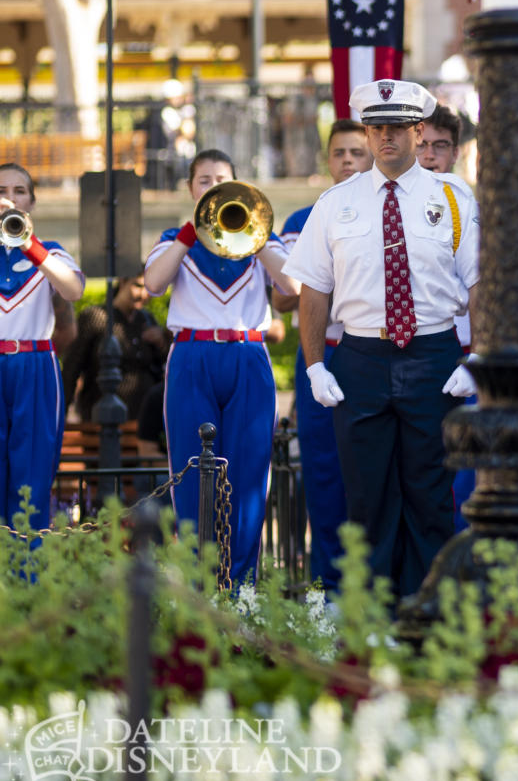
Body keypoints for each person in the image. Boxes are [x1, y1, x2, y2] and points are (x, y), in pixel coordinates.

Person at [283, 80, 480, 600]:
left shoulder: (452, 199)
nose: (385, 137)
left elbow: (482, 283)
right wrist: (314, 366)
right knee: (366, 494)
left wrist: (476, 355)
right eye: (376, 128)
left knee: (431, 492)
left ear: (419, 131)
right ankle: (373, 617)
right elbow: (313, 291)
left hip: (433, 353)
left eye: (396, 127)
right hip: (362, 355)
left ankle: (429, 609)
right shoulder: (334, 203)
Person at [144, 150, 297, 582]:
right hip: (193, 354)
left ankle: (241, 588)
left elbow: (293, 284)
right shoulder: (175, 237)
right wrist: (191, 232)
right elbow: (154, 283)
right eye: (204, 180)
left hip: (248, 353)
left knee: (248, 477)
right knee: (192, 476)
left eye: (221, 179)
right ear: (191, 189)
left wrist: (258, 232)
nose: (212, 186)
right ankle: (198, 587)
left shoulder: (262, 238)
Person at [273, 119, 373, 587]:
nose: (348, 160)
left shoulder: (386, 209)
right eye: (339, 153)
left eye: (357, 151)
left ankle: (375, 585)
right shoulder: (302, 220)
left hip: (370, 352)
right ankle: (328, 590)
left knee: (374, 472)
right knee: (323, 472)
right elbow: (286, 297)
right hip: (321, 354)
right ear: (328, 160)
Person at [0, 163, 85, 530]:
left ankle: (29, 580)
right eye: (2, 190)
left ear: (31, 202)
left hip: (35, 363)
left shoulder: (50, 251)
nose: (10, 198)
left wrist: (28, 244)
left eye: (20, 191)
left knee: (31, 478)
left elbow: (73, 289)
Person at [416, 104, 479, 530]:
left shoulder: (464, 198)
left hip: (464, 353)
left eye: (440, 146)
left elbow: (482, 284)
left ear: (455, 152)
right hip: (417, 353)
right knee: (421, 472)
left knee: (465, 477)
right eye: (422, 145)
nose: (430, 155)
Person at [60, 274, 168, 426]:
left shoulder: (146, 319)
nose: (144, 294)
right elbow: (72, 368)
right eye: (138, 286)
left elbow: (160, 367)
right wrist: (60, 414)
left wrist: (162, 344)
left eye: (149, 289)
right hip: (103, 417)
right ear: (122, 282)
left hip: (144, 418)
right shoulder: (97, 317)